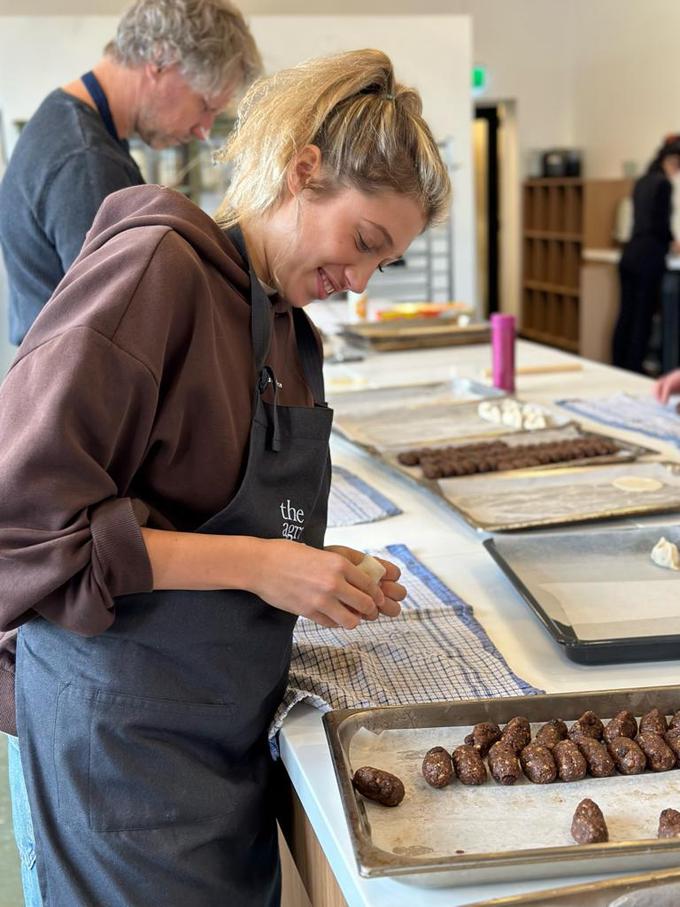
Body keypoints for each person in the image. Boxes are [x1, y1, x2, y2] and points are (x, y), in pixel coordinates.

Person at [0, 48, 451, 905]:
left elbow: (223, 511)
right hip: (122, 742)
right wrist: (259, 565)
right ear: (302, 169)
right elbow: (22, 520)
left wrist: (323, 569)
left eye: (382, 264)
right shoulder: (156, 270)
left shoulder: (289, 331)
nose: (357, 284)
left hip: (225, 734)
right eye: (362, 242)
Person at [0, 0, 260, 347]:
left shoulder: (65, 119)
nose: (203, 130)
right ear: (160, 63)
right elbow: (126, 324)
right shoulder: (87, 162)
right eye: (205, 105)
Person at [613, 139, 680, 374]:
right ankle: (633, 368)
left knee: (626, 313)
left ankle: (619, 364)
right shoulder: (663, 184)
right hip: (649, 257)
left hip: (631, 253)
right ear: (672, 161)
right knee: (642, 316)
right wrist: (673, 242)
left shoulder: (642, 181)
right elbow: (659, 223)